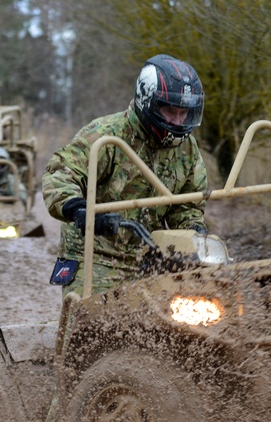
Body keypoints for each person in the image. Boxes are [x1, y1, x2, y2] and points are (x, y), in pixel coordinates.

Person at [43, 53, 208, 296]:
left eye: (183, 113)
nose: (178, 120)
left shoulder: (188, 148)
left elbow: (187, 204)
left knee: (194, 319)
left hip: (151, 257)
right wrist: (79, 209)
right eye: (170, 111)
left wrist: (192, 232)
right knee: (96, 325)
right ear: (147, 102)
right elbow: (60, 174)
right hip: (96, 255)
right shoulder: (106, 135)